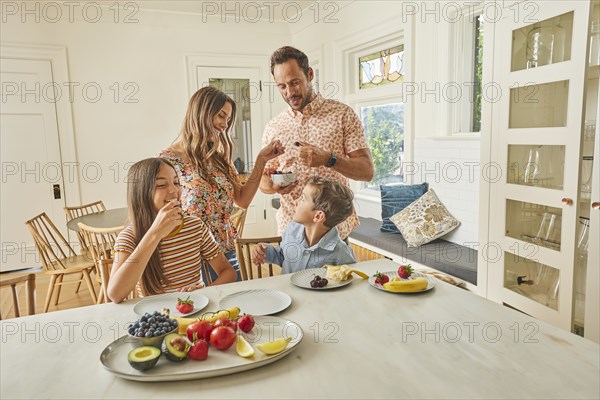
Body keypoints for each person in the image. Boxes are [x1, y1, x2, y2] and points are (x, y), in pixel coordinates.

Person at [159, 87, 283, 283]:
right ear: (202, 112)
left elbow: (242, 200)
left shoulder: (219, 158)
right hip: (192, 256)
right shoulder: (168, 160)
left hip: (227, 252)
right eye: (221, 116)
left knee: (235, 309)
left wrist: (261, 161)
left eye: (228, 120)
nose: (225, 124)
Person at [259, 46, 375, 241]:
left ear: (309, 74)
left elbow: (367, 171)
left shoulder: (342, 114)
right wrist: (273, 187)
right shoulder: (274, 126)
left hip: (334, 232)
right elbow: (262, 179)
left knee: (338, 273)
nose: (289, 92)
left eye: (294, 83)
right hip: (291, 232)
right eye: (282, 86)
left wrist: (329, 159)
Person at [108, 158, 237, 303]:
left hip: (197, 311)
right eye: (162, 185)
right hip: (158, 319)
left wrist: (205, 292)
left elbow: (229, 272)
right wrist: (155, 234)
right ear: (141, 193)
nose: (174, 190)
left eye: (176, 182)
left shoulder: (194, 226)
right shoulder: (129, 237)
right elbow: (115, 294)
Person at [251, 177, 356, 274]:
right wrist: (264, 251)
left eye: (302, 198)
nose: (296, 201)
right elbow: (284, 256)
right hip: (287, 293)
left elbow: (349, 284)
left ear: (318, 216)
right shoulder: (291, 230)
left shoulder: (341, 254)